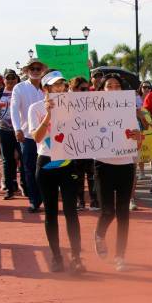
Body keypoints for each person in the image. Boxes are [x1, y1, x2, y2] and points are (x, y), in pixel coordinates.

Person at [29, 70, 84, 273]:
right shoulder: (35, 108)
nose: (59, 88)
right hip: (45, 163)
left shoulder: (73, 106)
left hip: (68, 162)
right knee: (51, 213)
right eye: (55, 85)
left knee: (71, 212)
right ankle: (56, 257)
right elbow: (37, 137)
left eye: (62, 84)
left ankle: (77, 258)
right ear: (46, 89)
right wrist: (49, 115)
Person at [93, 73, 142, 271]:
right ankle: (99, 235)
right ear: (102, 90)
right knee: (108, 211)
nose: (113, 89)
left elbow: (138, 142)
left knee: (123, 212)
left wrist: (138, 137)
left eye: (116, 86)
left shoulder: (129, 110)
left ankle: (120, 255)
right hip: (103, 164)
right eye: (109, 86)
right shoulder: (93, 111)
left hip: (125, 164)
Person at [11, 58, 47, 212]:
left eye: (38, 69)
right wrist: (17, 129)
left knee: (46, 169)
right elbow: (14, 109)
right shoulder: (19, 88)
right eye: (32, 69)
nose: (35, 71)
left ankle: (45, 197)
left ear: (42, 71)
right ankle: (34, 199)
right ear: (26, 71)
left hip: (47, 136)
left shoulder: (48, 88)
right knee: (29, 168)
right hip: (28, 135)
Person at [0, 69, 23, 200]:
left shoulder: (21, 92)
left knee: (22, 158)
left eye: (13, 78)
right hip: (4, 130)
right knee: (7, 160)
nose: (10, 81)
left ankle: (24, 185)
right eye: (7, 79)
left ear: (17, 79)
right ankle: (9, 188)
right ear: (4, 81)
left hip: (20, 130)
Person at [69, 76, 98, 211]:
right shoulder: (65, 102)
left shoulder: (93, 102)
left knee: (92, 174)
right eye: (83, 89)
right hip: (74, 145)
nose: (87, 91)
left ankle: (94, 200)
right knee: (77, 175)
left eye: (87, 88)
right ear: (73, 89)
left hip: (91, 143)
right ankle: (80, 201)